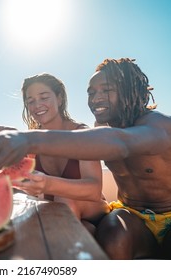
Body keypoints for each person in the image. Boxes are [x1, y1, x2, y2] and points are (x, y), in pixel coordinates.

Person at [0, 58, 171, 260]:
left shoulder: (162, 124)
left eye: (106, 90)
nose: (96, 98)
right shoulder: (100, 128)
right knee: (113, 241)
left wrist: (28, 139)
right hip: (130, 212)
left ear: (129, 89)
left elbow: (122, 143)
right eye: (91, 92)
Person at [16, 73, 109, 233]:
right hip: (59, 213)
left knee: (64, 200)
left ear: (59, 99)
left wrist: (47, 184)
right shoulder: (31, 142)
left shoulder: (82, 133)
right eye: (30, 101)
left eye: (44, 97)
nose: (37, 105)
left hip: (92, 207)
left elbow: (94, 191)